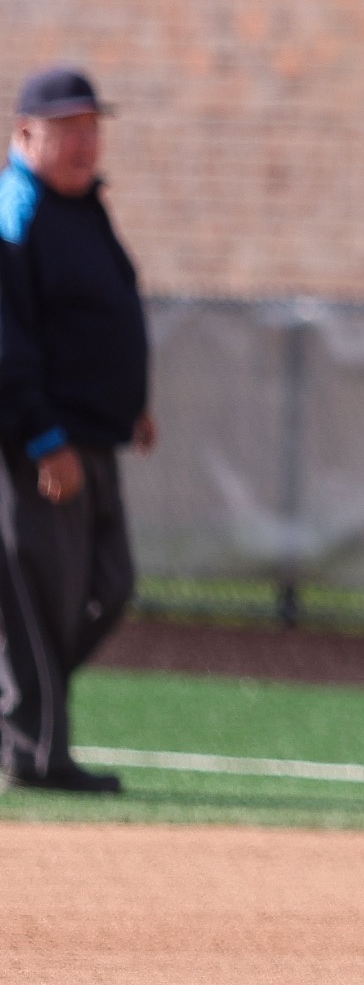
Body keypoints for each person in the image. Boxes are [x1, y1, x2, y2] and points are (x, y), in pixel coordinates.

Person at [0, 66, 151, 794]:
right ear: (24, 134)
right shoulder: (15, 210)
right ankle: (37, 753)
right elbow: (8, 342)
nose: (85, 141)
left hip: (95, 436)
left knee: (109, 583)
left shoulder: (84, 206)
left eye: (92, 126)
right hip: (43, 446)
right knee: (43, 595)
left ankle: (22, 706)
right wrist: (40, 438)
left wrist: (133, 403)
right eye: (68, 128)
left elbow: (105, 310)